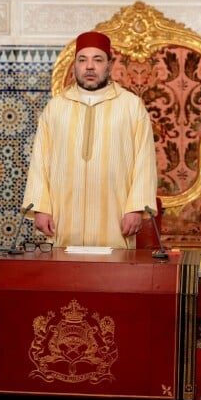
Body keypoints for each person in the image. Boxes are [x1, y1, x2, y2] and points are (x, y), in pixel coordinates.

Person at [23, 31, 158, 248]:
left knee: (113, 279)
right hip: (63, 219)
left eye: (98, 60)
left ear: (109, 65)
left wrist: (136, 208)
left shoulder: (131, 106)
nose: (90, 67)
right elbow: (40, 161)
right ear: (75, 65)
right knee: (64, 277)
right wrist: (41, 207)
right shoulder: (56, 107)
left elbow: (145, 161)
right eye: (83, 60)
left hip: (116, 221)